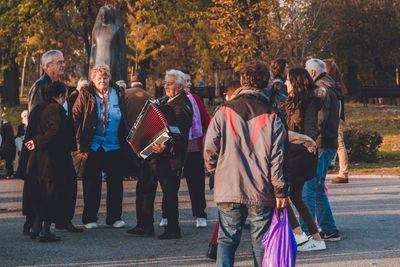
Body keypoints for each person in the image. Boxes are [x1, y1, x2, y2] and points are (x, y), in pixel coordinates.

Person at [204, 61, 289, 266]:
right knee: (260, 243)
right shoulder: (273, 115)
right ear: (266, 84)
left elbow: (209, 149)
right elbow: (278, 159)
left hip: (228, 185)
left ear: (242, 80)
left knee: (226, 240)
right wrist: (281, 191)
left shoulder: (223, 111)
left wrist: (216, 172)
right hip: (261, 189)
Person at [126, 69, 193, 239]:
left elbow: (180, 134)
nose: (165, 86)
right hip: (153, 157)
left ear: (179, 86)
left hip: (170, 158)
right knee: (144, 189)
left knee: (169, 193)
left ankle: (173, 228)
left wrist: (165, 146)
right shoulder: (164, 102)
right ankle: (144, 225)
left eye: (169, 83)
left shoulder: (182, 106)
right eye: (165, 82)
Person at [72, 65, 128, 229]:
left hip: (114, 145)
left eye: (105, 78)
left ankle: (115, 217)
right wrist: (72, 141)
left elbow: (125, 118)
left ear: (109, 78)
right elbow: (76, 117)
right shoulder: (86, 94)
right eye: (99, 78)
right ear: (93, 80)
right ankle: (90, 218)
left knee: (116, 183)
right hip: (93, 145)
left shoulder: (118, 94)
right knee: (91, 183)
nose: (102, 81)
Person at [24, 81, 76, 242]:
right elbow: (54, 130)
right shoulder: (54, 109)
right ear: (60, 95)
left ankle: (35, 226)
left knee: (41, 191)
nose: (65, 98)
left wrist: (33, 143)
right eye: (65, 95)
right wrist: (38, 142)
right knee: (51, 192)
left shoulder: (38, 107)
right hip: (51, 157)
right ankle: (45, 230)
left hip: (37, 158)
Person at [283, 68, 327, 251]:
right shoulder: (289, 102)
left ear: (296, 82)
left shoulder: (309, 102)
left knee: (281, 196)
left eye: (288, 80)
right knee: (293, 196)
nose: (285, 83)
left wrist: (304, 140)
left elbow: (310, 132)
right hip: (293, 154)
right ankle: (316, 239)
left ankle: (300, 237)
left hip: (300, 156)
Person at [301, 58, 342, 241]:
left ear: (312, 73)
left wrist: (309, 138)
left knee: (309, 188)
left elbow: (320, 120)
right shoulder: (330, 85)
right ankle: (328, 229)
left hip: (321, 144)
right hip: (327, 143)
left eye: (305, 71)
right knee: (316, 187)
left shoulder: (321, 89)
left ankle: (308, 231)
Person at [323, 59, 349, 184]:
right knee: (338, 143)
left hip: (335, 117)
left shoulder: (331, 85)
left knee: (339, 143)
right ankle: (337, 167)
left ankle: (343, 172)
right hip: (336, 117)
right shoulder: (337, 84)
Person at [0, 112, 16, 179]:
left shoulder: (6, 124)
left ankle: (9, 173)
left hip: (5, 146)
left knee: (7, 151)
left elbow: (10, 138)